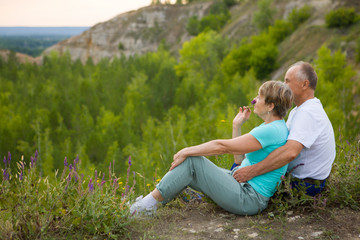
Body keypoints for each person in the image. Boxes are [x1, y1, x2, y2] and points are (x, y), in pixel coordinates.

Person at [130, 80, 294, 216]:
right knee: (190, 170)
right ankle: (149, 205)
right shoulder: (274, 127)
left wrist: (185, 150)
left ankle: (145, 207)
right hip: (241, 185)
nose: (254, 99)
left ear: (270, 106)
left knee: (193, 162)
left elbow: (222, 147)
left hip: (249, 198)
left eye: (259, 97)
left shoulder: (271, 130)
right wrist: (236, 126)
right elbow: (239, 160)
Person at [232, 61, 336, 196]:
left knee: (240, 170)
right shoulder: (300, 110)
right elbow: (279, 143)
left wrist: (252, 170)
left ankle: (220, 198)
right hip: (302, 180)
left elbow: (290, 152)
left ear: (305, 84)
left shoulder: (307, 113)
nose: (283, 86)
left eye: (287, 81)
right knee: (241, 165)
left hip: (304, 185)